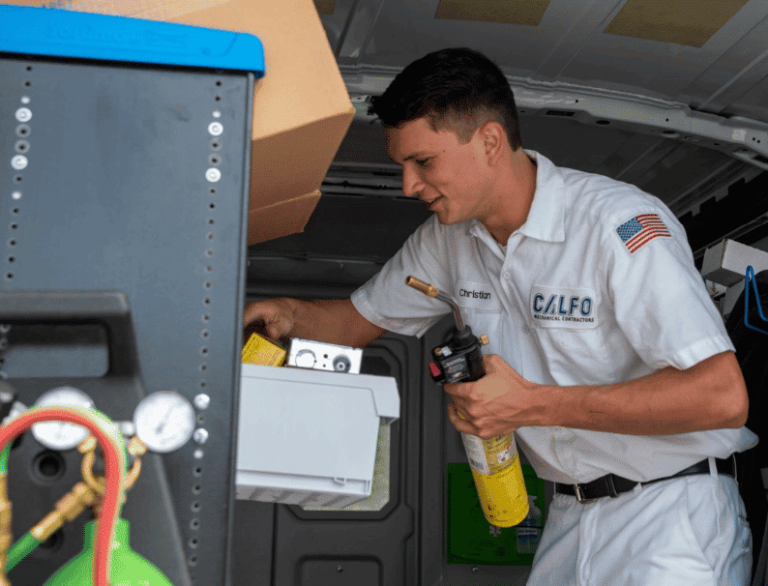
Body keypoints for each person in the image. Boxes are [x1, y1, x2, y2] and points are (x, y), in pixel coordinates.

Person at [243, 47, 758, 585]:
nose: (408, 186)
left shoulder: (618, 224)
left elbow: (721, 397)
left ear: (489, 141)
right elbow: (355, 323)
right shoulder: (446, 241)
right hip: (568, 514)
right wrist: (287, 312)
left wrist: (531, 405)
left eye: (423, 162)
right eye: (402, 167)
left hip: (672, 516)